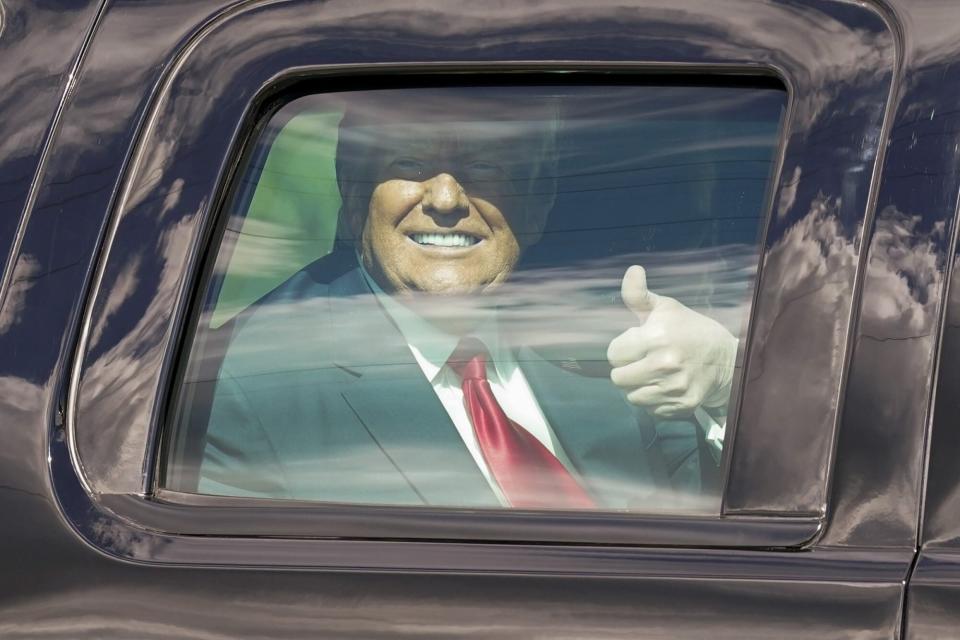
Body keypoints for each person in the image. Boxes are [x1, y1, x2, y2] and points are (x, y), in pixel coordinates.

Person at [194, 89, 737, 510]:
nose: (447, 199)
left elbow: (720, 532)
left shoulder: (613, 339)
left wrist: (724, 388)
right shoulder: (249, 381)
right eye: (407, 164)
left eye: (486, 169)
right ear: (354, 191)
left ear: (540, 198)